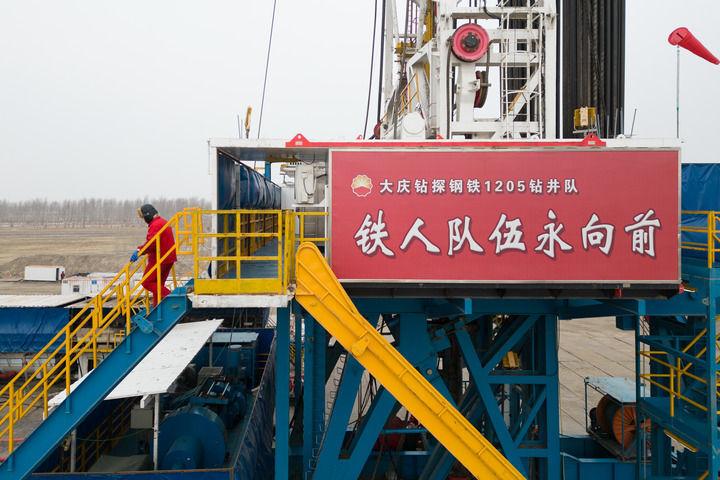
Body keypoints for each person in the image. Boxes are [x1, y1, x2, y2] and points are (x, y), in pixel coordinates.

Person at [130, 204, 177, 306]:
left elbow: (151, 244)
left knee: (146, 282)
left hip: (159, 259)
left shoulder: (155, 225)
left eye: (143, 217)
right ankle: (157, 306)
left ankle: (174, 299)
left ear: (147, 215)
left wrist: (139, 251)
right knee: (158, 285)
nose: (144, 220)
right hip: (168, 258)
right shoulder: (163, 222)